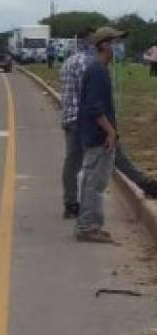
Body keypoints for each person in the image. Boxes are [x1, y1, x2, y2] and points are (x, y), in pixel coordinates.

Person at [75, 27, 127, 243]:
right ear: (104, 45)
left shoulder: (98, 69)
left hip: (94, 135)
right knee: (95, 184)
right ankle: (88, 228)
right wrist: (111, 132)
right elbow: (95, 108)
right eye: (116, 42)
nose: (119, 47)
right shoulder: (97, 72)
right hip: (98, 137)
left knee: (92, 183)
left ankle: (90, 225)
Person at [59, 27, 95, 219]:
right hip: (83, 120)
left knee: (71, 163)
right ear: (88, 41)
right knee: (103, 160)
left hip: (69, 118)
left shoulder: (68, 62)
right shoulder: (86, 63)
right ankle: (146, 184)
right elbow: (89, 94)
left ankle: (70, 204)